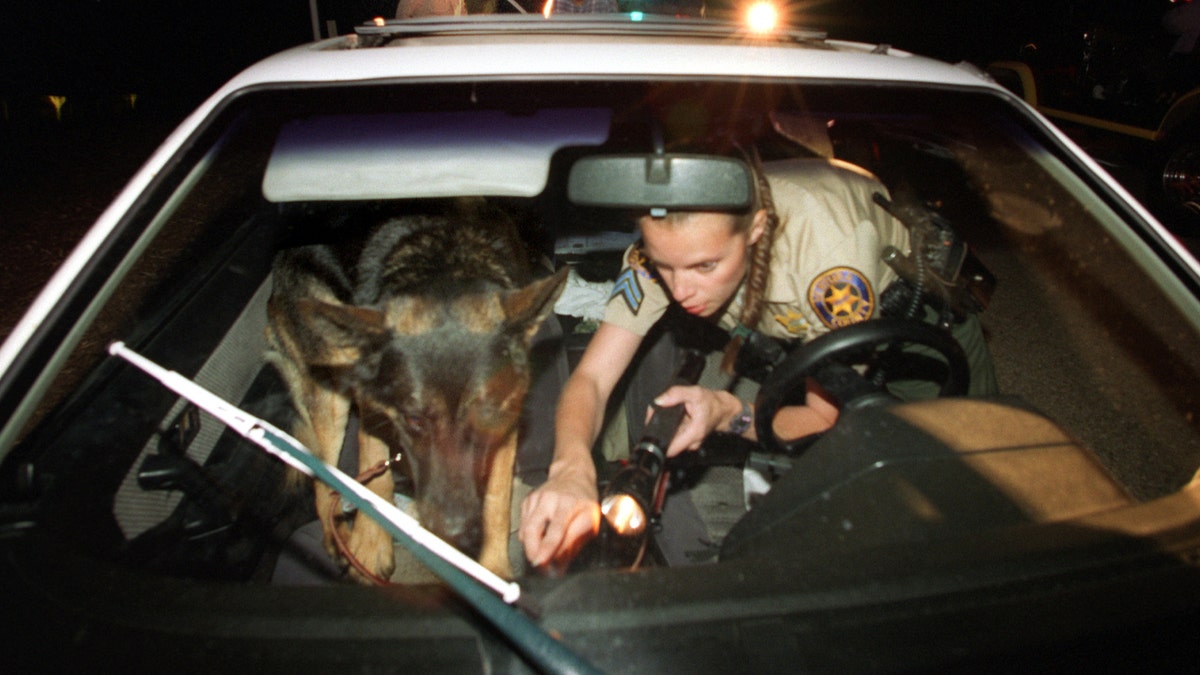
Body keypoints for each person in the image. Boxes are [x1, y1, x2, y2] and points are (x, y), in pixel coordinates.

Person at [518, 153, 997, 571]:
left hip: (914, 329)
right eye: (666, 267)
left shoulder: (830, 266)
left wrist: (730, 414)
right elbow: (593, 379)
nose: (680, 291)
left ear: (758, 229)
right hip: (796, 328)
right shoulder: (659, 255)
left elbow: (821, 420)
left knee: (973, 474)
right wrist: (570, 468)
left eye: (705, 266)